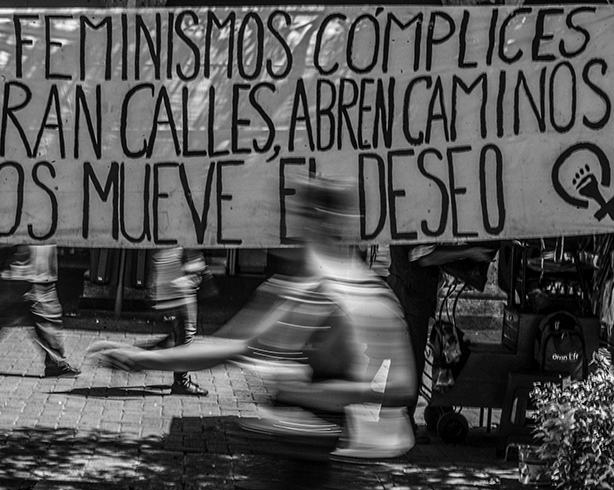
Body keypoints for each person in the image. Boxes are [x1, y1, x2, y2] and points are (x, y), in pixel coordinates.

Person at [88, 178, 419, 460]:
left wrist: (312, 393)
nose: (296, 227)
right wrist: (143, 359)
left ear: (332, 222)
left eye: (306, 215)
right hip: (297, 458)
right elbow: (231, 347)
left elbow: (401, 386)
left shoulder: (364, 297)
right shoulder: (298, 290)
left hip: (348, 462)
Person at [387, 243, 497, 443]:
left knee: (408, 363)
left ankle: (400, 422)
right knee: (411, 364)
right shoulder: (417, 226)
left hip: (407, 293)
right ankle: (402, 426)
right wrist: (470, 251)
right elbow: (425, 257)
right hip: (410, 296)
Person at [0, 244, 80, 378]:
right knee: (31, 315)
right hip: (23, 270)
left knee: (17, 315)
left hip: (34, 270)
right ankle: (54, 362)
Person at [148, 247, 209, 396]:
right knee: (186, 335)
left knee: (178, 335)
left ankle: (141, 356)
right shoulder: (187, 239)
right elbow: (191, 261)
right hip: (179, 289)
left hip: (167, 286)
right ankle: (181, 382)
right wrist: (202, 270)